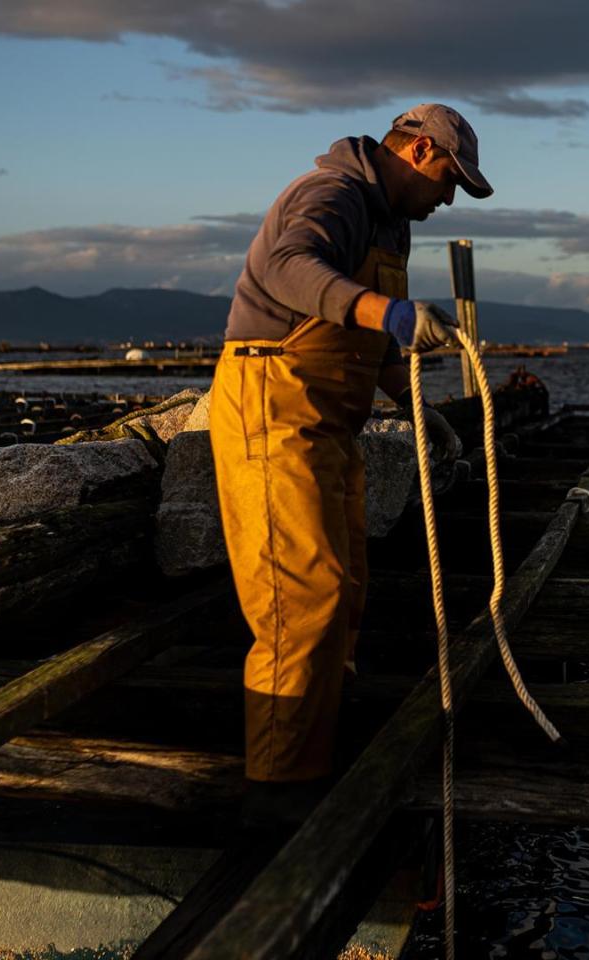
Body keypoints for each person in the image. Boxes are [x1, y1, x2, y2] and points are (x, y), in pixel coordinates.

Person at [210, 103, 492, 823]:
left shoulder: (389, 221)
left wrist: (411, 401)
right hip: (272, 405)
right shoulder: (330, 195)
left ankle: (317, 758)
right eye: (450, 178)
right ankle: (275, 797)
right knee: (300, 597)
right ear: (420, 150)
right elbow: (288, 269)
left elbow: (363, 337)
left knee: (345, 590)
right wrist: (393, 315)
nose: (450, 197)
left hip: (329, 421)